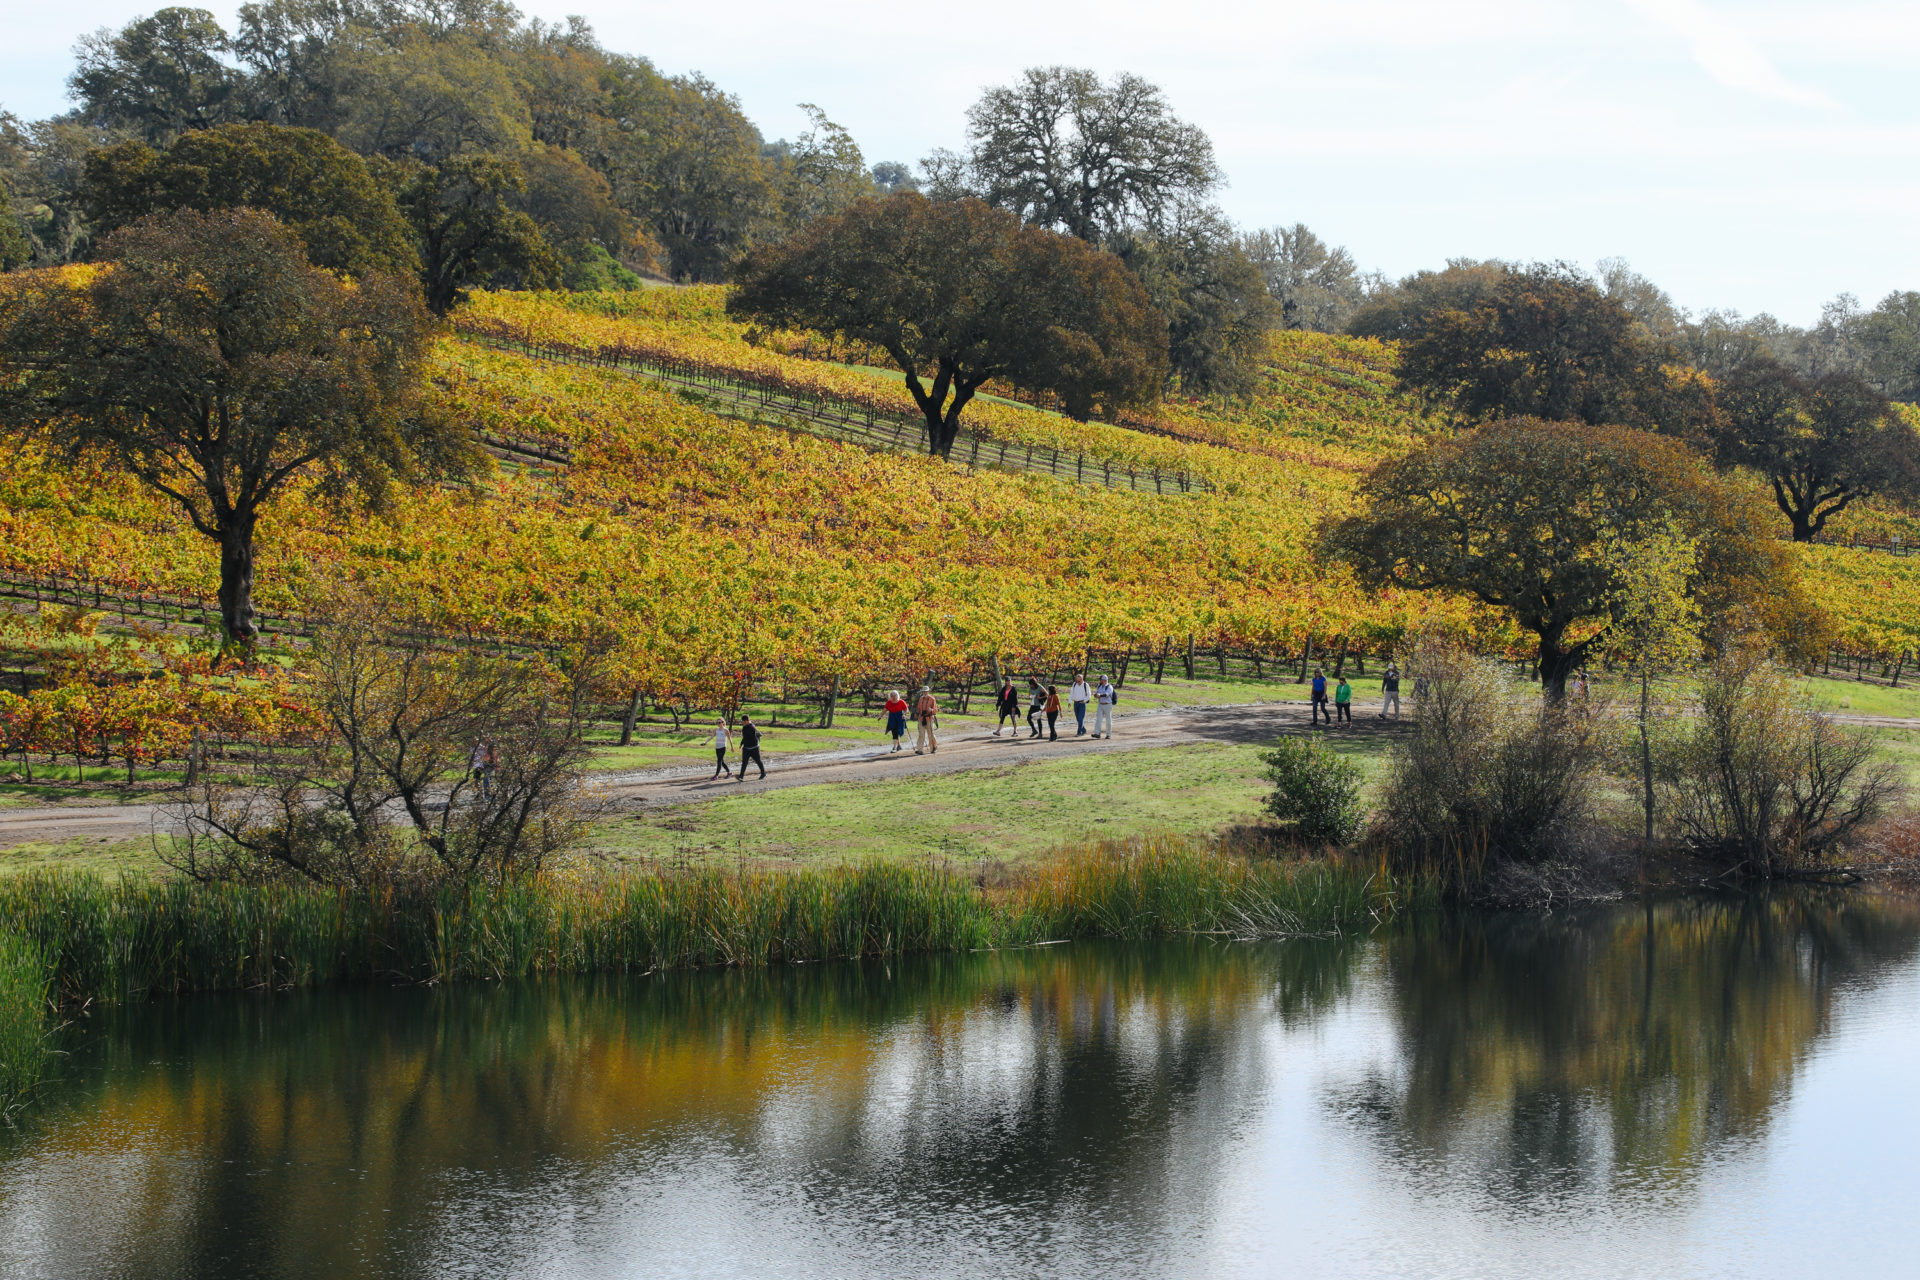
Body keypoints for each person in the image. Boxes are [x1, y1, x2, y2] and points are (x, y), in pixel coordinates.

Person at [735, 715, 765, 781]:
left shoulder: (752, 727)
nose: (742, 723)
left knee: (758, 761)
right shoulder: (744, 727)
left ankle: (763, 773)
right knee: (744, 762)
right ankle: (741, 776)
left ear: (746, 721)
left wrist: (744, 741)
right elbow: (744, 737)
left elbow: (750, 737)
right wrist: (741, 743)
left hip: (754, 748)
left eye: (743, 721)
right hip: (746, 748)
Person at [914, 686, 939, 754]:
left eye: (926, 691)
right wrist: (917, 713)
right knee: (921, 734)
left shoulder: (932, 699)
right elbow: (918, 708)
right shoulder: (921, 699)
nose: (924, 692)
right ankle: (920, 749)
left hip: (929, 718)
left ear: (928, 691)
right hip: (921, 718)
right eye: (923, 691)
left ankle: (933, 747)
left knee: (930, 734)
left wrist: (931, 710)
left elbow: (935, 710)